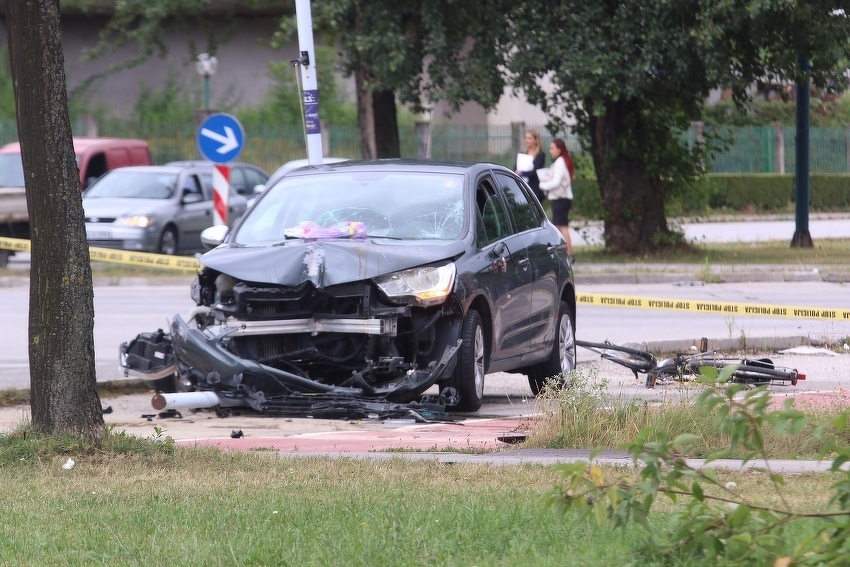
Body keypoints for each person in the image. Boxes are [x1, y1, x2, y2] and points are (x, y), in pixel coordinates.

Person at [538, 137, 576, 263]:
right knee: (560, 227)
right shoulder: (562, 161)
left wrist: (542, 185)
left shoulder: (560, 162)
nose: (550, 151)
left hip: (561, 199)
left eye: (552, 148)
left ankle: (569, 256)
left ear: (559, 149)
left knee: (562, 227)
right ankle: (565, 254)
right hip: (561, 199)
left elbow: (556, 181)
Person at [514, 130, 546, 204]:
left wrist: (522, 173)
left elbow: (535, 171)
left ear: (536, 140)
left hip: (534, 189)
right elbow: (515, 168)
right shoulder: (522, 154)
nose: (526, 140)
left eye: (529, 138)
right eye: (526, 138)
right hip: (522, 187)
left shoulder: (540, 155)